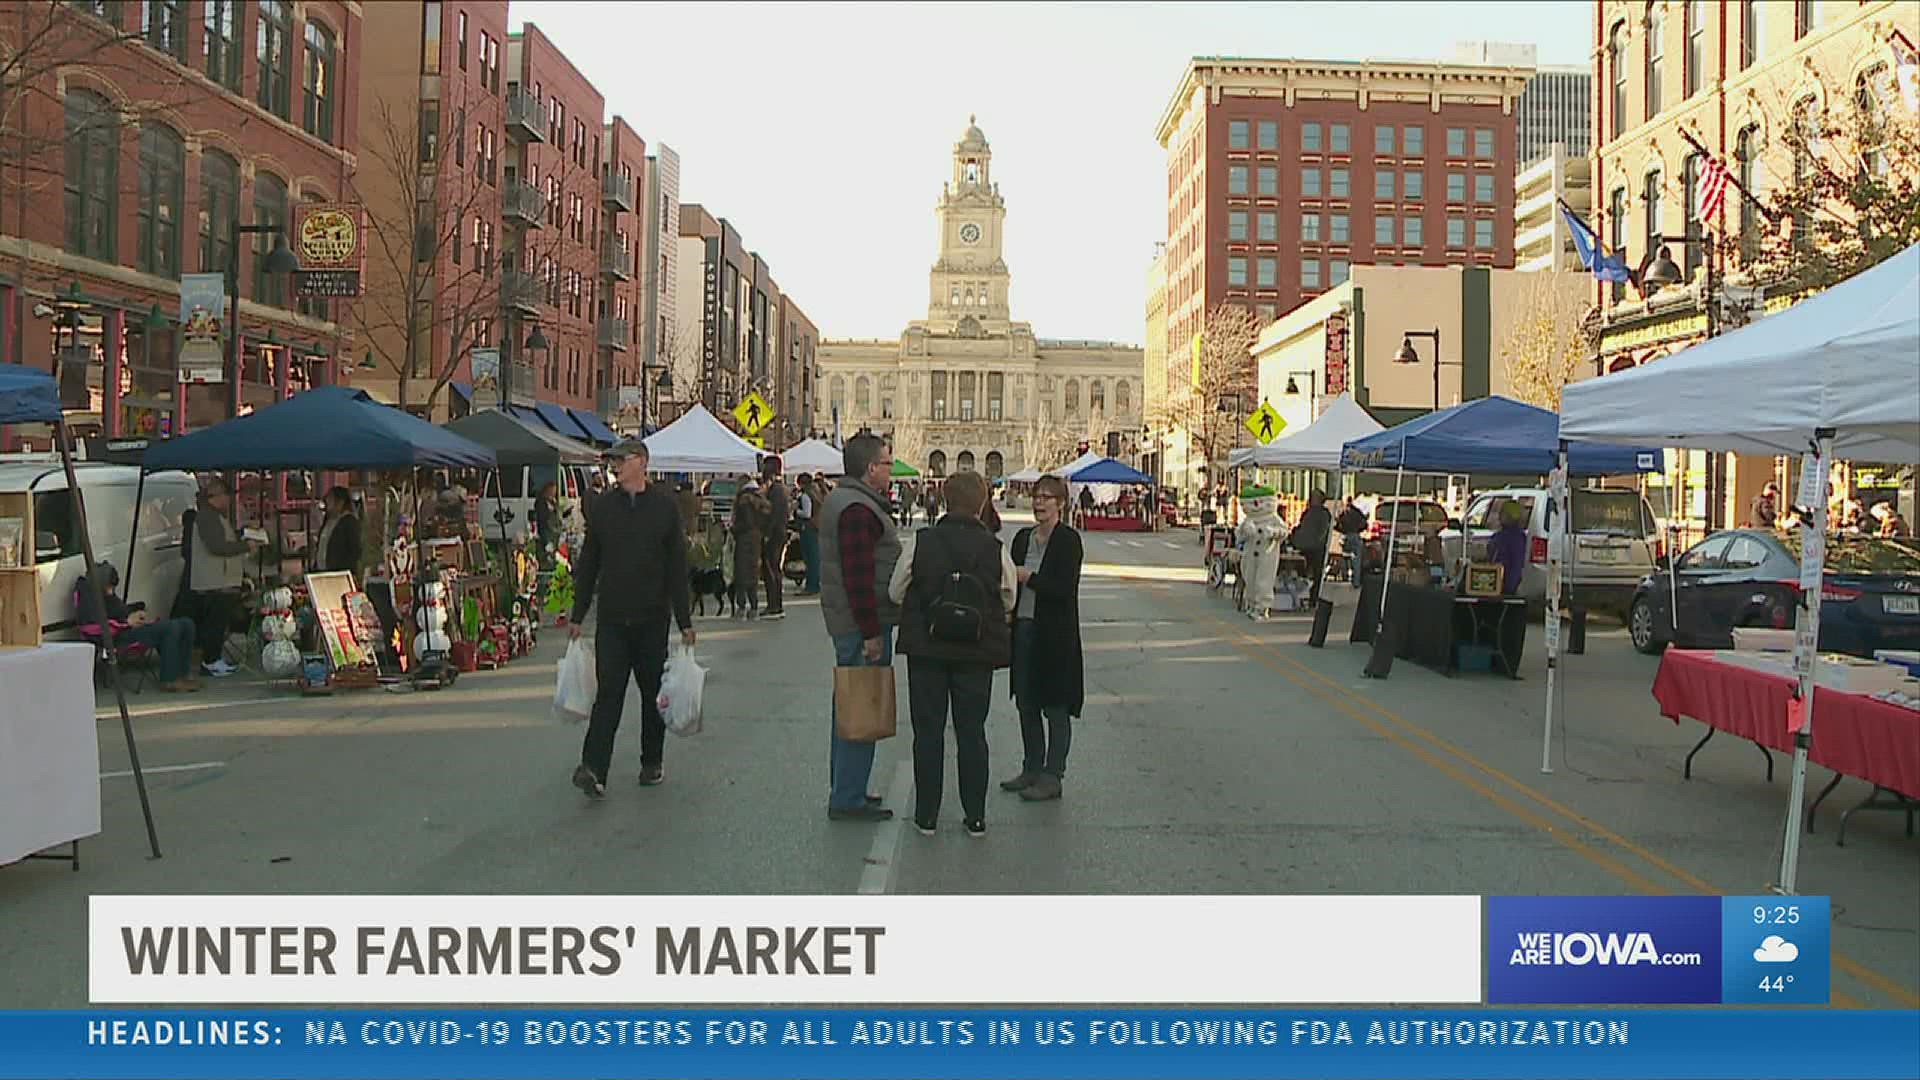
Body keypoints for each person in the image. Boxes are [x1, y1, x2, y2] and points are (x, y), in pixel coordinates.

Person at [889, 471, 1014, 837]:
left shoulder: (922, 541)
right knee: (971, 732)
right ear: (981, 504)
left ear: (943, 500)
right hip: (975, 650)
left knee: (928, 732)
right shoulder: (994, 547)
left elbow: (896, 590)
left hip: (927, 648)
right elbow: (1008, 595)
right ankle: (975, 815)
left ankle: (926, 815)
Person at [568, 441, 694, 798]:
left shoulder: (664, 507)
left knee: (653, 693)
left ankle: (651, 760)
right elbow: (590, 561)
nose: (616, 467)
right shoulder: (604, 507)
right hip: (612, 618)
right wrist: (578, 614)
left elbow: (676, 568)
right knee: (609, 693)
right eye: (614, 462)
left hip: (652, 617)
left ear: (642, 463)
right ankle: (594, 767)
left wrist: (685, 622)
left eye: (621, 461)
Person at [818, 432, 902, 823]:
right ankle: (847, 796)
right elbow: (858, 576)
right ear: (871, 469)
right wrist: (870, 631)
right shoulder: (857, 510)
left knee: (850, 706)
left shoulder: (854, 502)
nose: (891, 469)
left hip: (854, 621)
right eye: (887, 463)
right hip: (862, 624)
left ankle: (847, 788)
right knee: (860, 706)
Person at [1004, 474, 1085, 802]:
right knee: (1026, 701)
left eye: (1047, 498)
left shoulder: (1068, 541)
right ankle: (1031, 767)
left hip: (1055, 633)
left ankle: (1054, 774)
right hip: (1022, 627)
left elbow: (1063, 588)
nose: (1039, 503)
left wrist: (1031, 578)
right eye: (1037, 497)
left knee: (1055, 704)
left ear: (1060, 504)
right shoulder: (1022, 539)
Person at [80, 562, 199, 692]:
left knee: (187, 623)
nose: (111, 591)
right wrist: (126, 623)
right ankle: (169, 680)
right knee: (171, 627)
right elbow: (92, 628)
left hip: (127, 629)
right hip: (117, 636)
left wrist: (138, 617)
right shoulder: (88, 599)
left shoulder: (107, 595)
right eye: (109, 587)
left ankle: (184, 673)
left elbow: (122, 611)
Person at [186, 475, 257, 678]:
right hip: (215, 582)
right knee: (214, 623)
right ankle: (211, 661)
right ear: (214, 496)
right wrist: (245, 545)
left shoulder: (214, 516)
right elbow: (217, 546)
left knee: (218, 622)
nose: (228, 500)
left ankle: (214, 659)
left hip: (221, 580)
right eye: (226, 495)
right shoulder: (208, 517)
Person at [730, 478, 770, 619]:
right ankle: (754, 607)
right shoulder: (760, 498)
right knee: (753, 572)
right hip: (756, 538)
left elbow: (746, 521)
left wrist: (734, 529)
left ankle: (741, 607)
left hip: (745, 538)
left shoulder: (744, 500)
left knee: (741, 572)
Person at [759, 463, 791, 620]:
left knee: (771, 569)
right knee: (773, 568)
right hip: (779, 532)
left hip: (775, 534)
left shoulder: (776, 491)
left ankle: (774, 606)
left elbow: (774, 515)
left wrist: (767, 534)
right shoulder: (781, 489)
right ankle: (774, 605)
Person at [1290, 489, 1333, 605]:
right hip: (1304, 547)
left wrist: (1317, 540)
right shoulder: (1307, 512)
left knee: (1316, 573)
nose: (1311, 499)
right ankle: (1301, 595)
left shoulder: (1324, 513)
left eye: (1314, 497)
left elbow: (1324, 530)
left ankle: (1313, 598)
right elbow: (1302, 525)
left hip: (1317, 548)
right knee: (1302, 571)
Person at [1485, 500, 1530, 596]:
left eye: (1502, 513)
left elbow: (1517, 564)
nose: (1499, 516)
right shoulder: (1501, 536)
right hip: (1496, 583)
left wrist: (1508, 588)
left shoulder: (1514, 538)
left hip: (1504, 586)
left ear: (1508, 516)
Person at [314, 486, 363, 575]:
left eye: (331, 500)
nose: (327, 503)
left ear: (340, 502)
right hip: (323, 572)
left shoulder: (348, 521)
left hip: (338, 573)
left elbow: (355, 550)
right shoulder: (328, 520)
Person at [793, 473, 822, 596]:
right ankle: (815, 583)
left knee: (810, 558)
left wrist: (796, 510)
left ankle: (812, 585)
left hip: (808, 528)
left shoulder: (805, 496)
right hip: (816, 527)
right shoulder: (816, 492)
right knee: (814, 557)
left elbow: (807, 513)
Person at [1335, 497, 1367, 583]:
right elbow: (1364, 524)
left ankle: (1345, 576)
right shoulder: (1357, 512)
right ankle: (1356, 580)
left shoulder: (1343, 513)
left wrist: (1341, 529)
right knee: (1357, 559)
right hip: (1355, 536)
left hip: (1345, 536)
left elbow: (1338, 525)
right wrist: (1358, 529)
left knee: (1343, 556)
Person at [532, 481, 561, 550]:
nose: (554, 492)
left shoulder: (553, 501)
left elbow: (556, 513)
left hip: (553, 530)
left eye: (555, 490)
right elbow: (543, 517)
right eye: (553, 490)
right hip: (545, 529)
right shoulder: (541, 501)